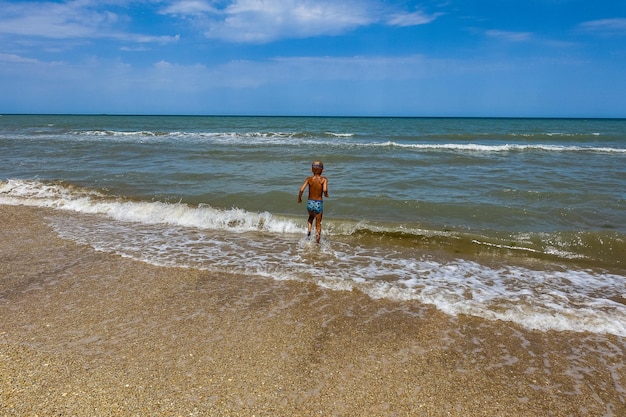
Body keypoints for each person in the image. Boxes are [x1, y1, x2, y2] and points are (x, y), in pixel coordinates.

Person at [298, 160, 329, 243]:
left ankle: (309, 231)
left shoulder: (309, 179)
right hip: (318, 203)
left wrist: (299, 198)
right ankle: (317, 242)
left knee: (310, 217)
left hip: (310, 203)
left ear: (311, 170)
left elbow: (301, 189)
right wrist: (326, 194)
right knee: (318, 224)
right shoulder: (324, 179)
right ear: (322, 170)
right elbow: (325, 189)